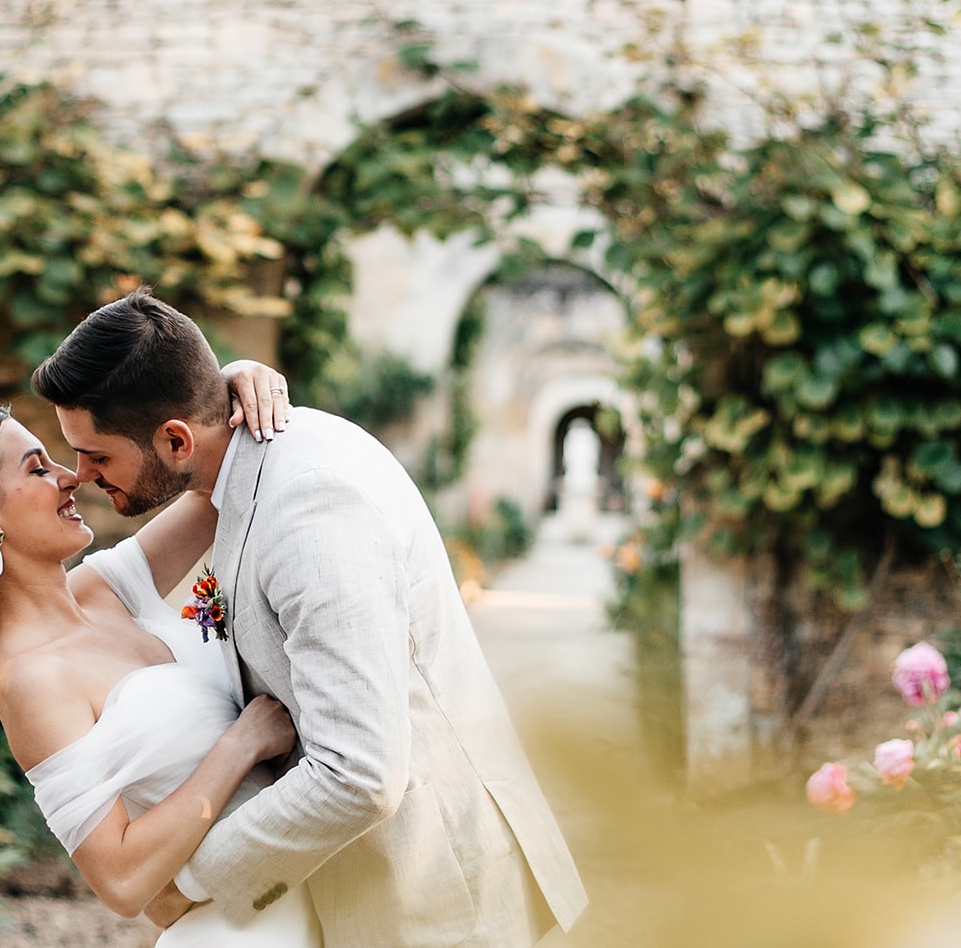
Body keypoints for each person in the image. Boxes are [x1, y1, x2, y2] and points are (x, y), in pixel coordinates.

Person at [31, 289, 588, 946]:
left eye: (96, 455)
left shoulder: (309, 502)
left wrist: (193, 881)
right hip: (344, 887)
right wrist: (229, 382)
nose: (81, 474)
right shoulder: (246, 470)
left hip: (431, 893)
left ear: (176, 438)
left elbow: (360, 771)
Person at [0, 364, 322, 946]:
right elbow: (119, 881)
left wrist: (231, 383)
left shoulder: (107, 586)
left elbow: (226, 478)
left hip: (310, 889)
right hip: (240, 928)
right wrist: (241, 745)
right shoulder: (32, 681)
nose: (70, 477)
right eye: (37, 468)